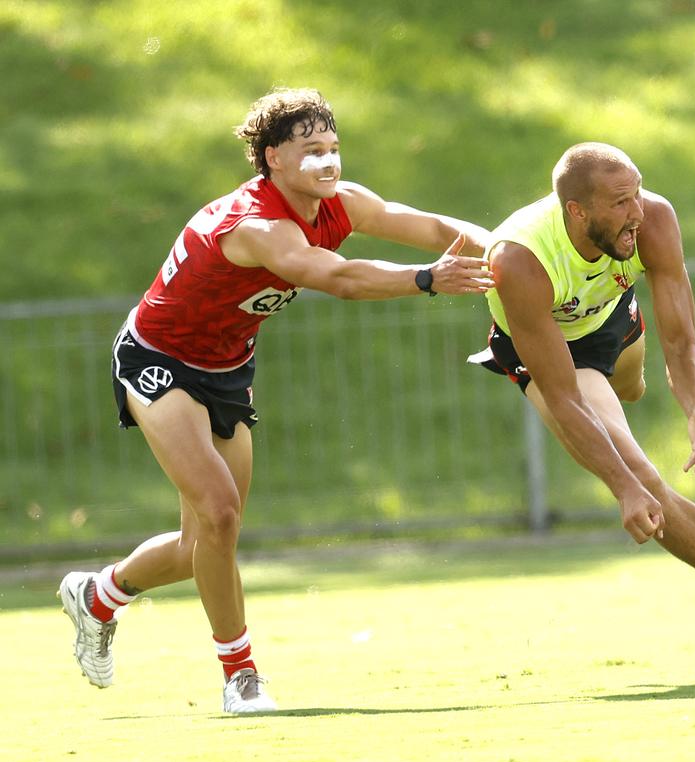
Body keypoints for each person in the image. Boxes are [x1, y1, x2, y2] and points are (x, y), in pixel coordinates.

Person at [58, 87, 493, 714]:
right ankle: (241, 678)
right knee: (221, 513)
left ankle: (100, 596)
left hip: (227, 368)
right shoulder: (258, 226)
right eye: (311, 149)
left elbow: (429, 226)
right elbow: (336, 278)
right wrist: (425, 279)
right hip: (158, 359)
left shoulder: (340, 203)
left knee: (203, 544)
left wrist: (510, 252)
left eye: (334, 147)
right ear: (272, 159)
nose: (328, 160)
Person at [470, 142, 695, 666]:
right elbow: (567, 398)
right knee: (643, 477)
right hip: (552, 349)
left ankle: (622, 393)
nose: (636, 211)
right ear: (577, 211)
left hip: (612, 318)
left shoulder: (652, 219)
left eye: (637, 193)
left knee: (630, 388)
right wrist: (624, 489)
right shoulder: (519, 260)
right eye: (620, 202)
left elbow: (681, 343)